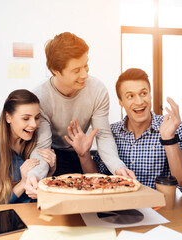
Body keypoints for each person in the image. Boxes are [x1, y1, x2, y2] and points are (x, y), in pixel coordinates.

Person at [25, 32, 135, 199]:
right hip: (52, 155)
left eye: (86, 66)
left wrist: (117, 167)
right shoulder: (40, 97)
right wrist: (35, 175)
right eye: (76, 70)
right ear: (55, 71)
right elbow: (42, 148)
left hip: (82, 153)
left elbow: (103, 135)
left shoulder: (97, 90)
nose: (84, 74)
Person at [93, 68, 182, 197]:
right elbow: (97, 179)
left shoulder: (174, 128)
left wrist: (169, 140)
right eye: (130, 96)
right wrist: (83, 155)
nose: (139, 102)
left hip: (160, 211)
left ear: (150, 95)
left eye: (143, 93)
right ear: (121, 101)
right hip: (118, 209)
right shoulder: (110, 133)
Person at [0, 89, 56, 205]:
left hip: (34, 214)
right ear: (8, 117)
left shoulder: (37, 142)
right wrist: (22, 184)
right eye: (26, 118)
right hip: (4, 219)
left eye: (37, 118)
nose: (33, 125)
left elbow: (37, 193)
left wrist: (49, 172)